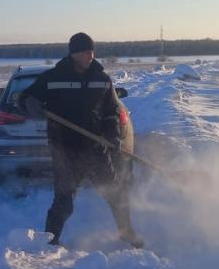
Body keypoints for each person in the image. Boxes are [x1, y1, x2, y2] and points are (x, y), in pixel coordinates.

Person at [20, 32, 143, 248]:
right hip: (65, 150)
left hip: (96, 148)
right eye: (87, 52)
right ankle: (50, 241)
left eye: (92, 52)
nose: (91, 56)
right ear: (75, 53)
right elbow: (24, 98)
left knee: (116, 194)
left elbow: (112, 112)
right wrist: (30, 103)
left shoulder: (102, 79)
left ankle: (127, 233)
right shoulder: (54, 77)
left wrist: (111, 137)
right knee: (64, 200)